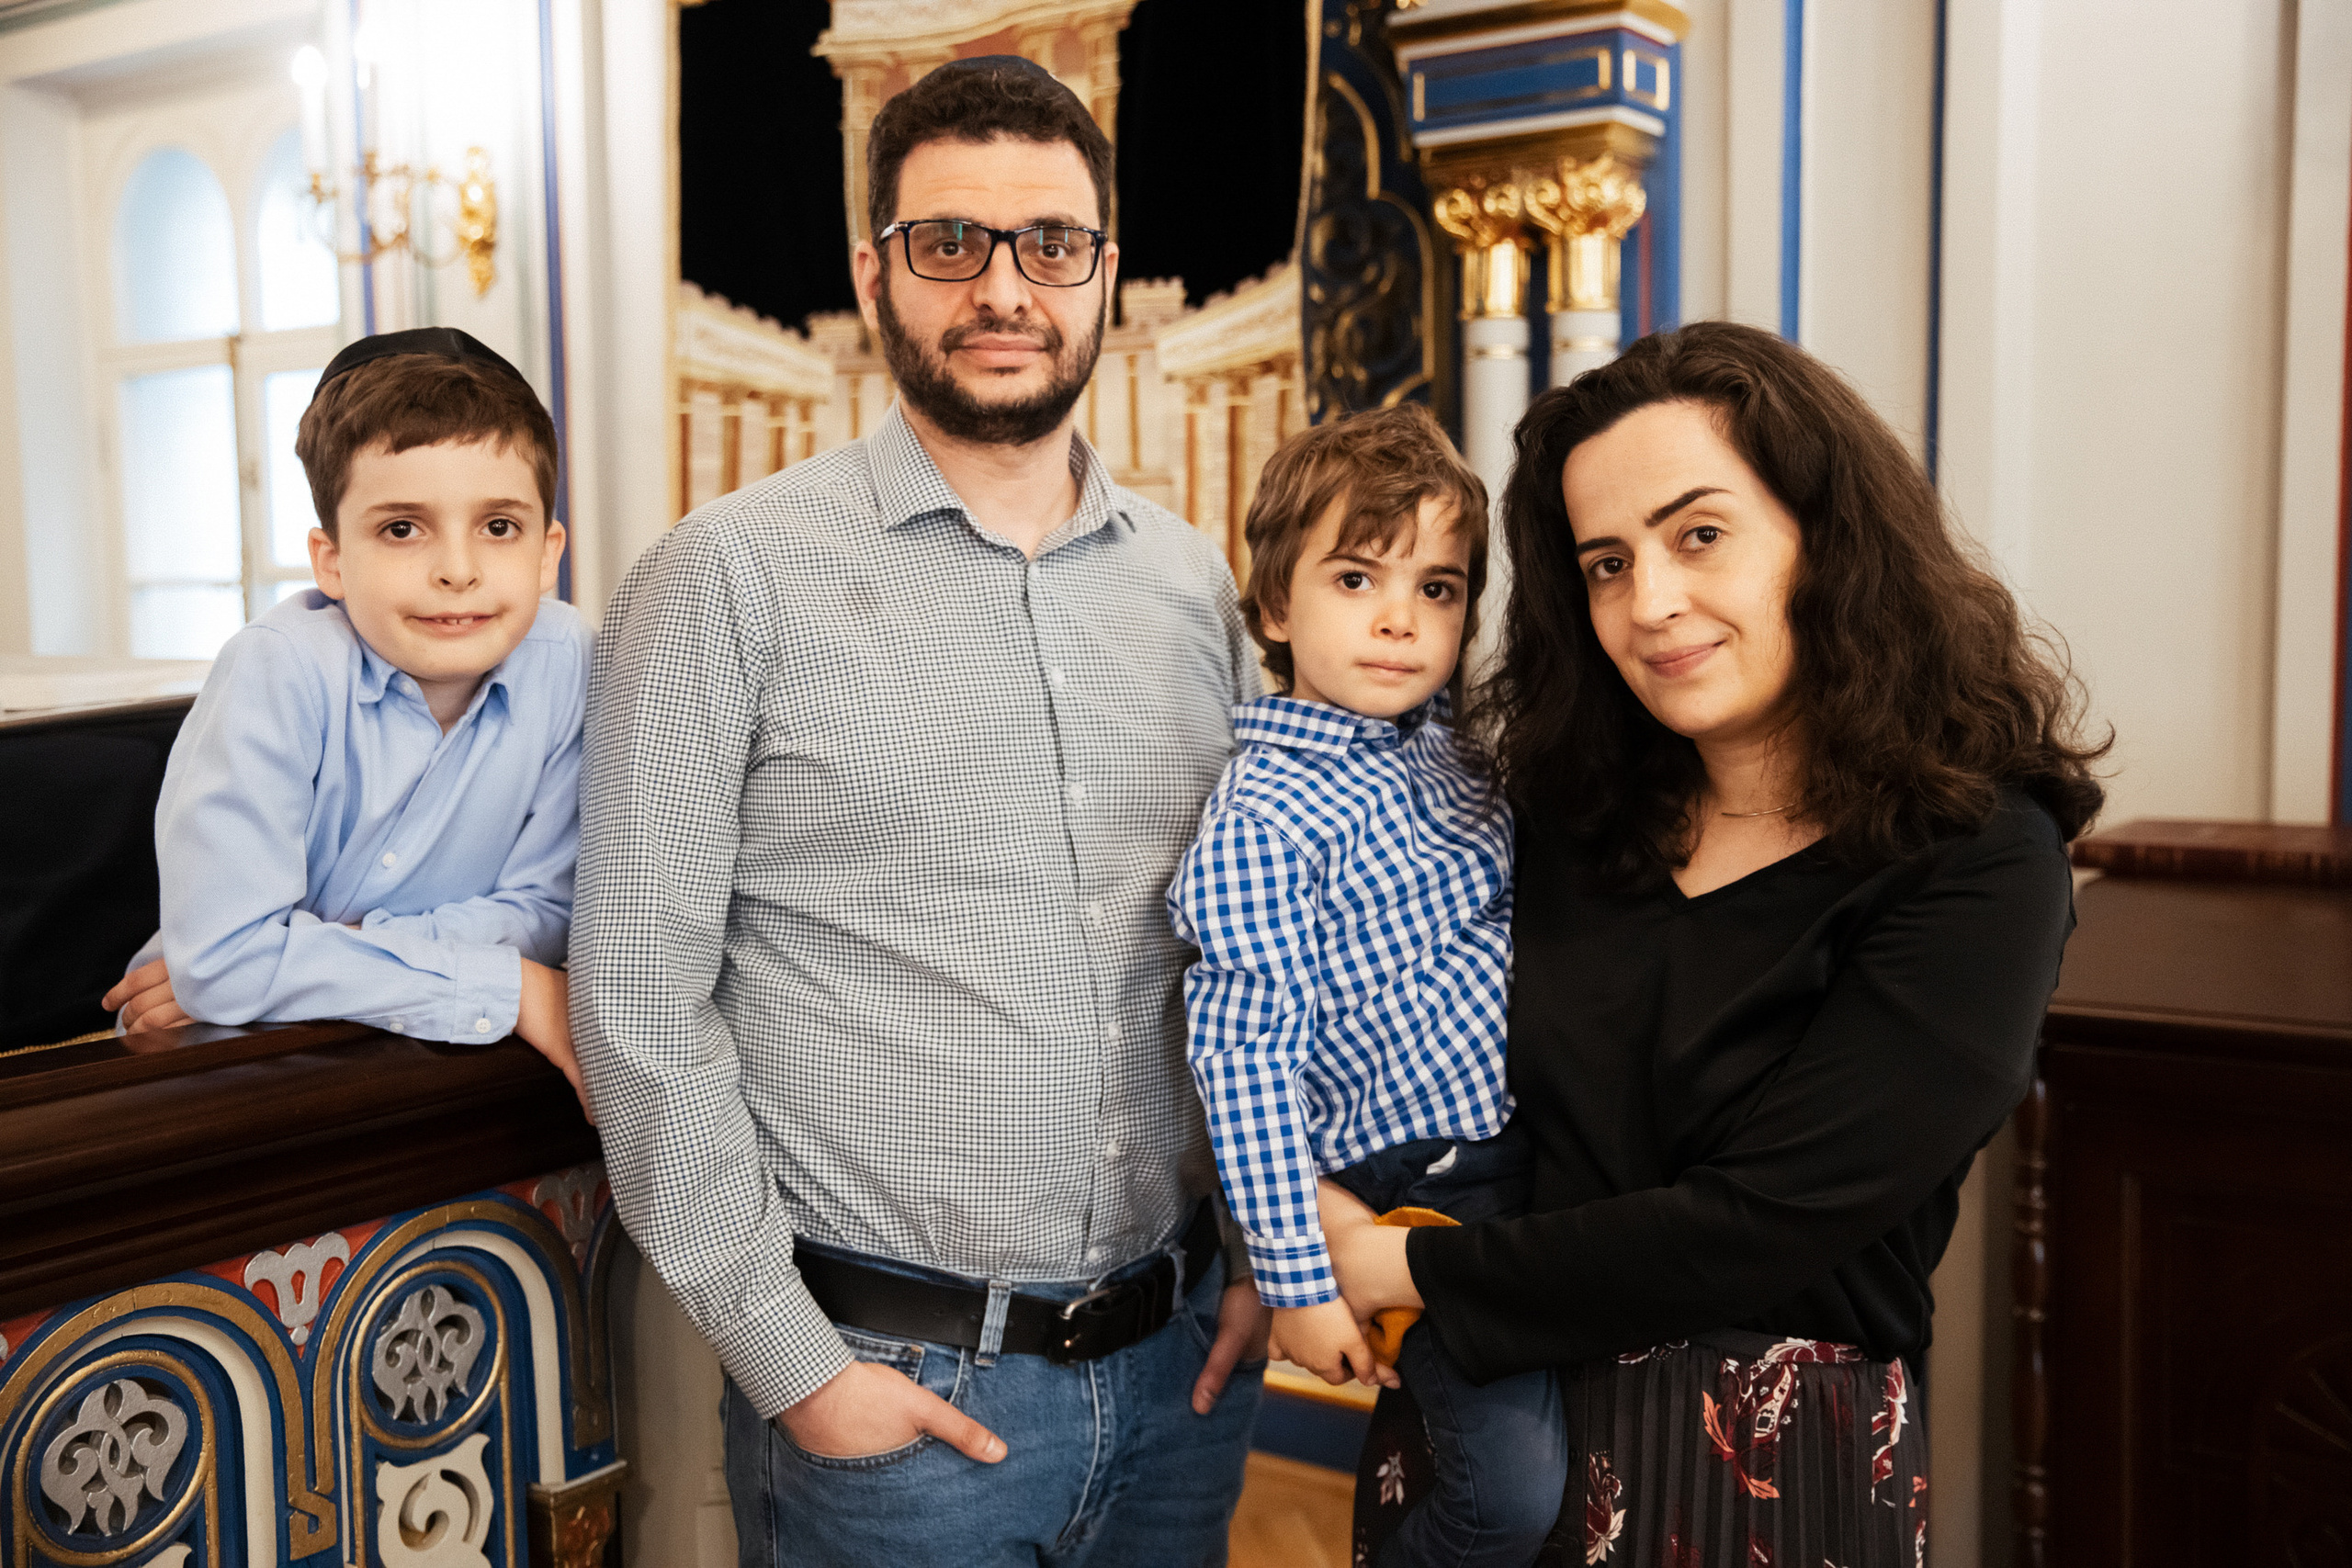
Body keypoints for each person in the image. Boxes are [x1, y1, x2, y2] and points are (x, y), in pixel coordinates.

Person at [571, 57, 1267, 1568]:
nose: (1003, 288)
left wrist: (1269, 1251)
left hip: (1185, 1373)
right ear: (873, 268)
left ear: (1104, 267)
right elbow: (636, 1000)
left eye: (1051, 245)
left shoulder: (1193, 585)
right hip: (900, 1403)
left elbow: (1256, 950)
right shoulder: (726, 578)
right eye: (951, 243)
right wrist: (798, 1369)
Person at [1322, 321, 2108, 1566]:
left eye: (1699, 534)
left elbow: (1760, 1220)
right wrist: (1306, 1198)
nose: (1652, 603)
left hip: (1763, 1480)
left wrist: (1389, 1257)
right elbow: (1365, 1021)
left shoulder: (1980, 857)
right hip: (1482, 1442)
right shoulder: (1562, 819)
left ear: (1823, 537)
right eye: (1604, 562)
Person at [1170, 403, 1569, 1567]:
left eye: (1439, 589)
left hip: (1531, 1166)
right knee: (1508, 1497)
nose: (1401, 619)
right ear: (1275, 608)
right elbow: (1242, 1067)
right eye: (1357, 578)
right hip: (1421, 1188)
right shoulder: (1264, 818)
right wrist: (1295, 1278)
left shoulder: (1461, 760)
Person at [103, 328, 590, 1116]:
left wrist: (298, 960)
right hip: (226, 1081)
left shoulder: (568, 658)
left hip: (425, 1078)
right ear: (330, 560)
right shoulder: (277, 668)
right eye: (403, 528)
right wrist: (512, 987)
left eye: (498, 526)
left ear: (546, 550)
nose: (458, 569)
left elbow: (550, 913)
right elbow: (227, 962)